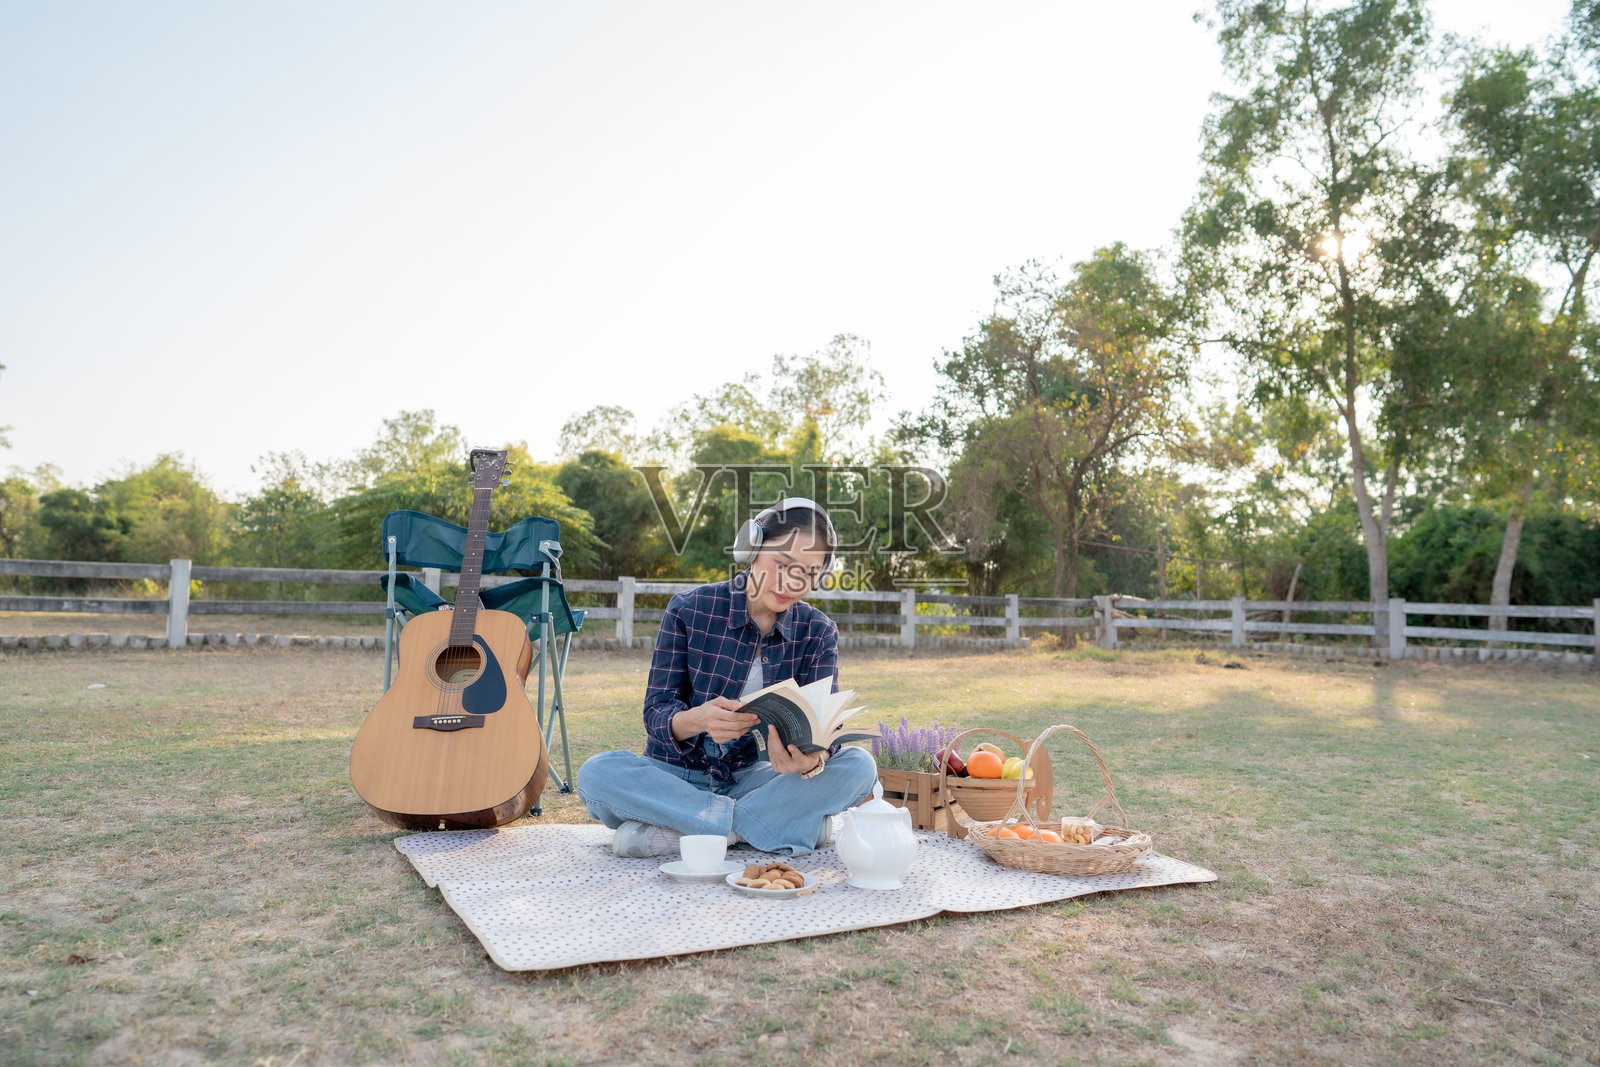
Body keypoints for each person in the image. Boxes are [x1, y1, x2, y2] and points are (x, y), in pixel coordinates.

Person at [577, 497, 878, 857]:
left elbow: (826, 731)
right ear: (751, 547)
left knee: (860, 766)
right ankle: (763, 826)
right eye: (782, 563)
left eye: (809, 574)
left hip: (751, 778)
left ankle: (697, 829)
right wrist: (699, 719)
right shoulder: (689, 608)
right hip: (673, 776)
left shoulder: (818, 631)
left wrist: (814, 761)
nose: (792, 582)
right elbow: (656, 713)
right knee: (597, 774)